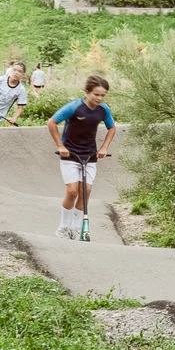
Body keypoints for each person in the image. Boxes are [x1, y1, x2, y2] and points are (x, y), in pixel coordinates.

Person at [47, 75, 116, 240]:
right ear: (87, 92)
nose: (99, 98)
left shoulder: (103, 110)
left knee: (86, 191)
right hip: (70, 154)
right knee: (72, 191)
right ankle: (63, 228)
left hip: (90, 154)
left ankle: (77, 228)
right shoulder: (74, 107)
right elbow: (52, 122)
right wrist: (60, 146)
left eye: (103, 95)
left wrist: (104, 148)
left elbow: (112, 128)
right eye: (96, 94)